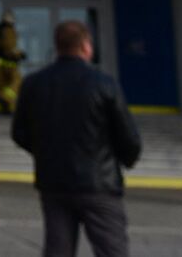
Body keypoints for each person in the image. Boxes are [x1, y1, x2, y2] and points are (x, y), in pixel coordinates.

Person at [12, 21, 141, 257]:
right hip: (99, 183)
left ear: (57, 46)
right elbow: (129, 138)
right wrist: (121, 160)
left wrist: (45, 152)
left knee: (58, 249)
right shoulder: (104, 83)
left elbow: (19, 133)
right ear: (85, 46)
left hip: (54, 182)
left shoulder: (33, 84)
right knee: (112, 249)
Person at [0, 10, 26, 113]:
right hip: (8, 63)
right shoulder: (8, 30)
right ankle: (5, 99)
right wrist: (19, 54)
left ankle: (6, 107)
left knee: (2, 86)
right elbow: (8, 47)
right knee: (17, 82)